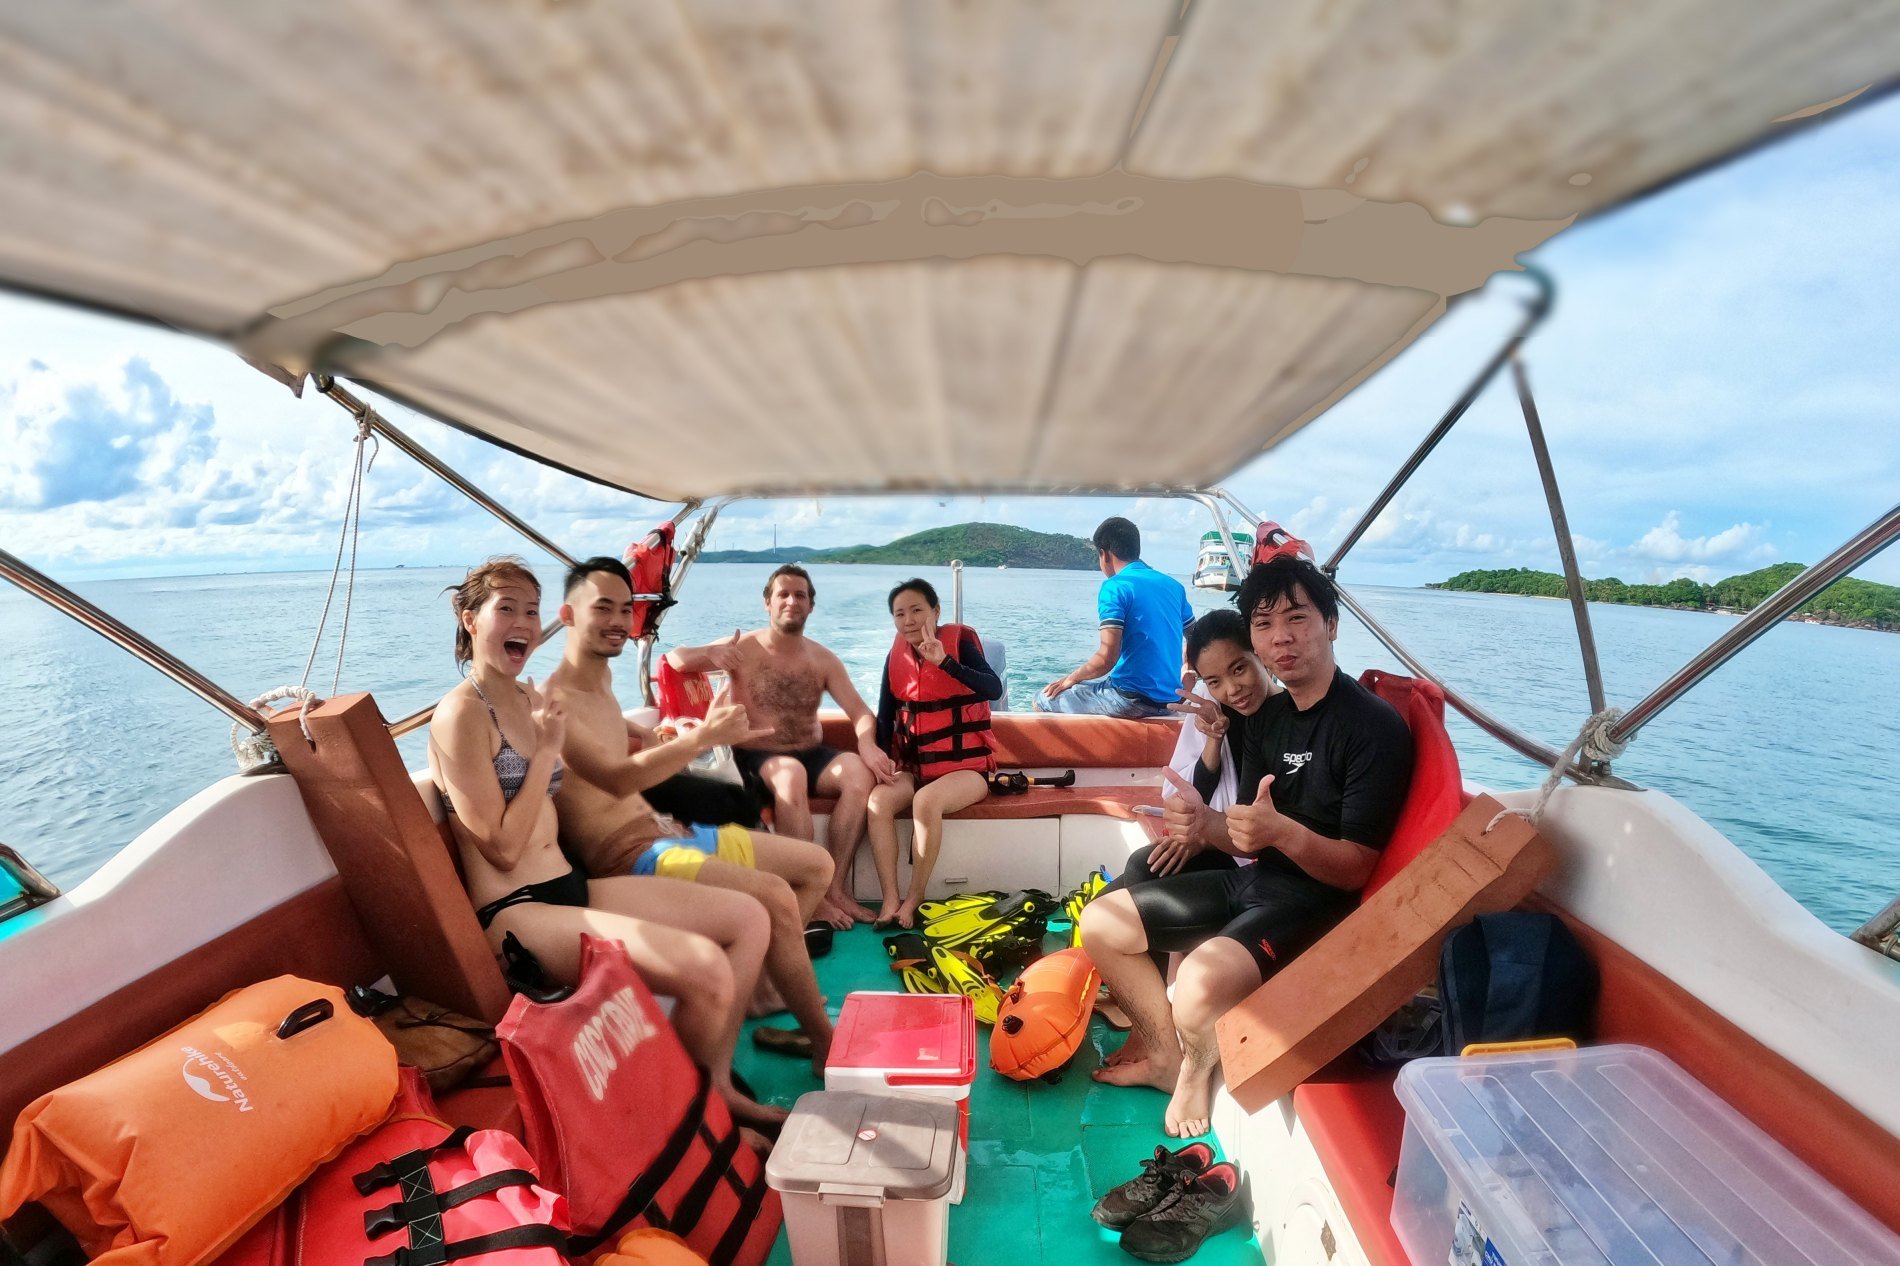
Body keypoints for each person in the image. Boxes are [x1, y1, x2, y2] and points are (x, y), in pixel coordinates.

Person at [426, 557, 785, 1129]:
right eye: (506, 609)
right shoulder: (460, 715)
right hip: (517, 912)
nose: (523, 620)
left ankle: (716, 1088)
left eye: (531, 610)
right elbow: (497, 847)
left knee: (748, 918)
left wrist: (660, 737)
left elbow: (604, 772)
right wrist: (547, 751)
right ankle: (696, 1123)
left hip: (570, 885)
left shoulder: (529, 698)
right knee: (706, 970)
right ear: (470, 620)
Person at [1080, 556, 1413, 1138]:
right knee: (1102, 922)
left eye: (1296, 617)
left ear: (1331, 624)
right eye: (1264, 623)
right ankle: (1165, 1058)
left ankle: (1193, 1068)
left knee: (1198, 988)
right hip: (1256, 883)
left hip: (1316, 904)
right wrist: (1199, 823)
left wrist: (1281, 832)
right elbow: (1245, 835)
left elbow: (1355, 869)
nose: (1281, 636)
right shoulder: (1268, 718)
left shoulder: (1372, 727)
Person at [546, 557, 837, 1072]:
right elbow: (616, 779)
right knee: (771, 895)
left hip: (665, 834)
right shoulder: (555, 701)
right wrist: (704, 738)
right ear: (568, 615)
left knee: (816, 865)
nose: (618, 620)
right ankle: (822, 1044)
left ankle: (764, 992)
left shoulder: (602, 683)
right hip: (630, 856)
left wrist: (662, 735)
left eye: (624, 608)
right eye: (602, 608)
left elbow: (623, 747)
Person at [666, 564, 894, 929]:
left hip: (809, 751)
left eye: (800, 595)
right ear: (767, 604)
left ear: (811, 606)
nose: (791, 601)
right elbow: (676, 658)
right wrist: (712, 653)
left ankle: (831, 888)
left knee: (857, 773)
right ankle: (805, 888)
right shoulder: (741, 648)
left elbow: (862, 714)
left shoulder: (822, 659)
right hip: (755, 754)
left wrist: (867, 745)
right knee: (790, 774)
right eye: (782, 594)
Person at [1095, 608, 1277, 1064]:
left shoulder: (1274, 719)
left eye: (1239, 669)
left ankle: (1150, 1031)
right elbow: (1199, 793)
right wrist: (1214, 739)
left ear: (1261, 657)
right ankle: (1147, 1016)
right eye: (1215, 680)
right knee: (1140, 868)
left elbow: (1251, 821)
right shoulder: (1227, 715)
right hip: (1230, 851)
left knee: (1141, 871)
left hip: (1254, 867)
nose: (1232, 688)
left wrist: (1203, 834)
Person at [865, 578, 1005, 929]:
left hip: (968, 772)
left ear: (935, 612)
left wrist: (945, 663)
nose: (908, 620)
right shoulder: (894, 656)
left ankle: (914, 897)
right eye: (900, 614)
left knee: (925, 802)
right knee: (879, 801)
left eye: (917, 610)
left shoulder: (959, 644)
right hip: (917, 767)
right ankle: (890, 898)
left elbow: (993, 687)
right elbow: (885, 717)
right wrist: (880, 762)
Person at [1036, 516, 1194, 718]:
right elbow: (1197, 636)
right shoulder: (1173, 586)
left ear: (1105, 554)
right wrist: (1188, 668)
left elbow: (1106, 659)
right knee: (1092, 685)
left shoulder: (1115, 587)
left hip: (1129, 699)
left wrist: (1071, 679)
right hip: (1171, 699)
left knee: (1044, 699)